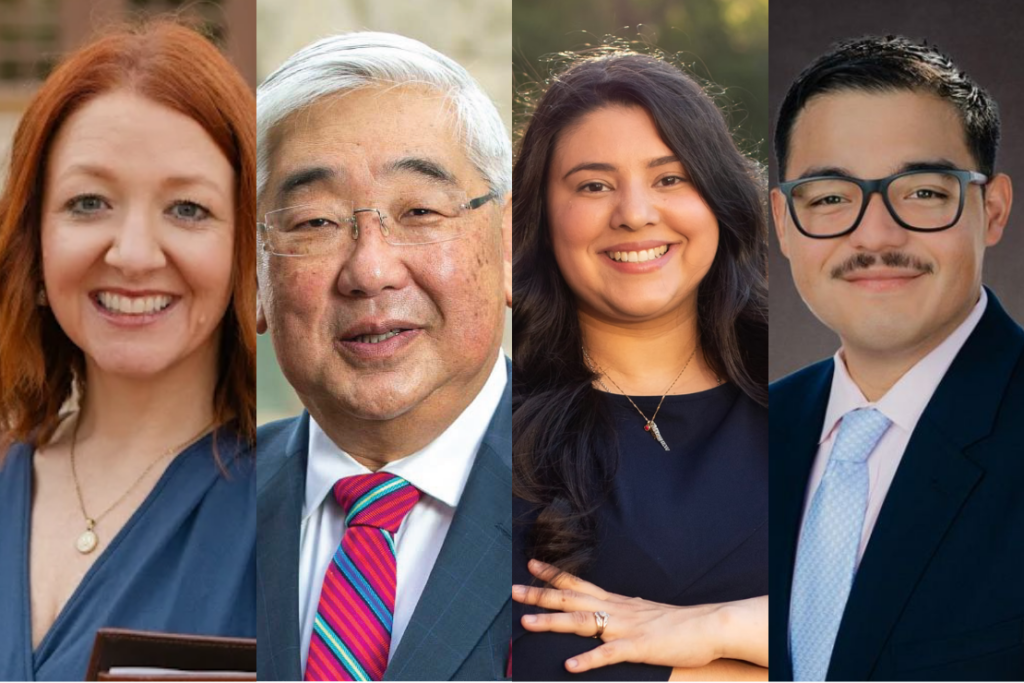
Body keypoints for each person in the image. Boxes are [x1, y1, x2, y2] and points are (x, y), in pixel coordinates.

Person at [0, 20, 257, 682]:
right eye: (89, 202)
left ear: (244, 248)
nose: (134, 254)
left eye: (188, 209)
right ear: (35, 240)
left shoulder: (302, 514)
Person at [254, 32, 512, 681]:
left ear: (510, 246)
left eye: (420, 210)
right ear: (252, 276)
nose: (370, 270)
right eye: (313, 221)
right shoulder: (205, 503)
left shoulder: (624, 488)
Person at [770, 35, 1023, 681]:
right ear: (783, 223)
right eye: (829, 197)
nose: (875, 234)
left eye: (922, 192)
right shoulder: (749, 427)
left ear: (992, 208)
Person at [511, 50, 769, 681]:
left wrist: (712, 629)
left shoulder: (808, 388)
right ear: (543, 216)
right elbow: (548, 664)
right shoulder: (495, 426)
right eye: (593, 185)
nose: (634, 212)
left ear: (718, 195)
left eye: (670, 178)